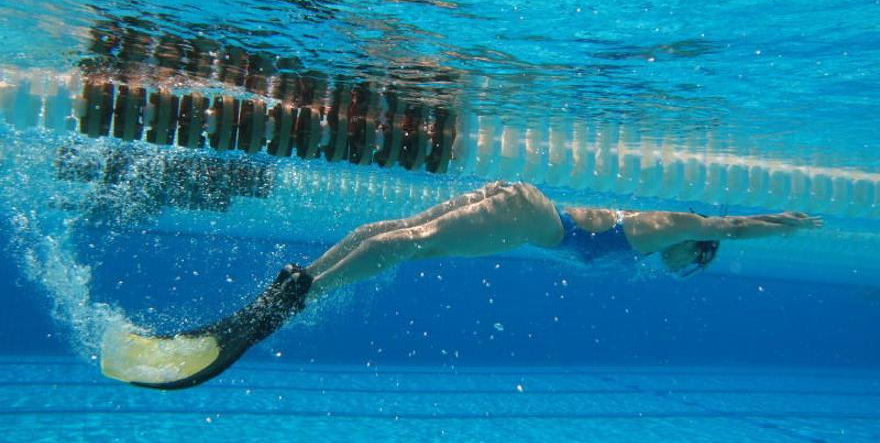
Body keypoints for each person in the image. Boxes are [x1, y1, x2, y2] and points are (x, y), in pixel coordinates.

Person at [100, 181, 822, 390]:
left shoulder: (653, 230)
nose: (684, 265)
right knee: (410, 245)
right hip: (536, 216)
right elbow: (718, 220)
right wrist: (780, 223)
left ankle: (292, 288)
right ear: (694, 248)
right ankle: (285, 304)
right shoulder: (675, 225)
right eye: (695, 258)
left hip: (529, 207)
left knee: (388, 233)